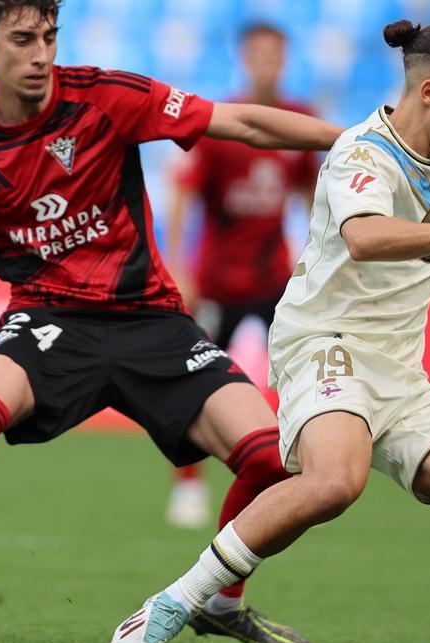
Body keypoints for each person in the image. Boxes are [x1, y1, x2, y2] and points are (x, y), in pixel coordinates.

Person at [0, 0, 341, 643]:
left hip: (150, 317)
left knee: (269, 457)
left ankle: (221, 602)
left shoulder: (107, 97)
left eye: (49, 37)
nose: (41, 55)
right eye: (23, 39)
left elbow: (242, 122)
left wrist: (360, 138)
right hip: (46, 318)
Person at [111, 20, 430, 643]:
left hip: (399, 369)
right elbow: (366, 237)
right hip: (326, 344)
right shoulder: (361, 153)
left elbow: (410, 234)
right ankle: (178, 599)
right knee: (336, 480)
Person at [161, 21, 318, 531]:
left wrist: (317, 255)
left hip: (275, 279)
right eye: (259, 54)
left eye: (276, 54)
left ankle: (300, 475)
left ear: (285, 59)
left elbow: (312, 194)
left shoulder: (299, 121)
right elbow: (183, 194)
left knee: (300, 379)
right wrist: (179, 266)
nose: (267, 64)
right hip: (218, 282)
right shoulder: (222, 123)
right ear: (246, 59)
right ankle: (188, 484)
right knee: (196, 385)